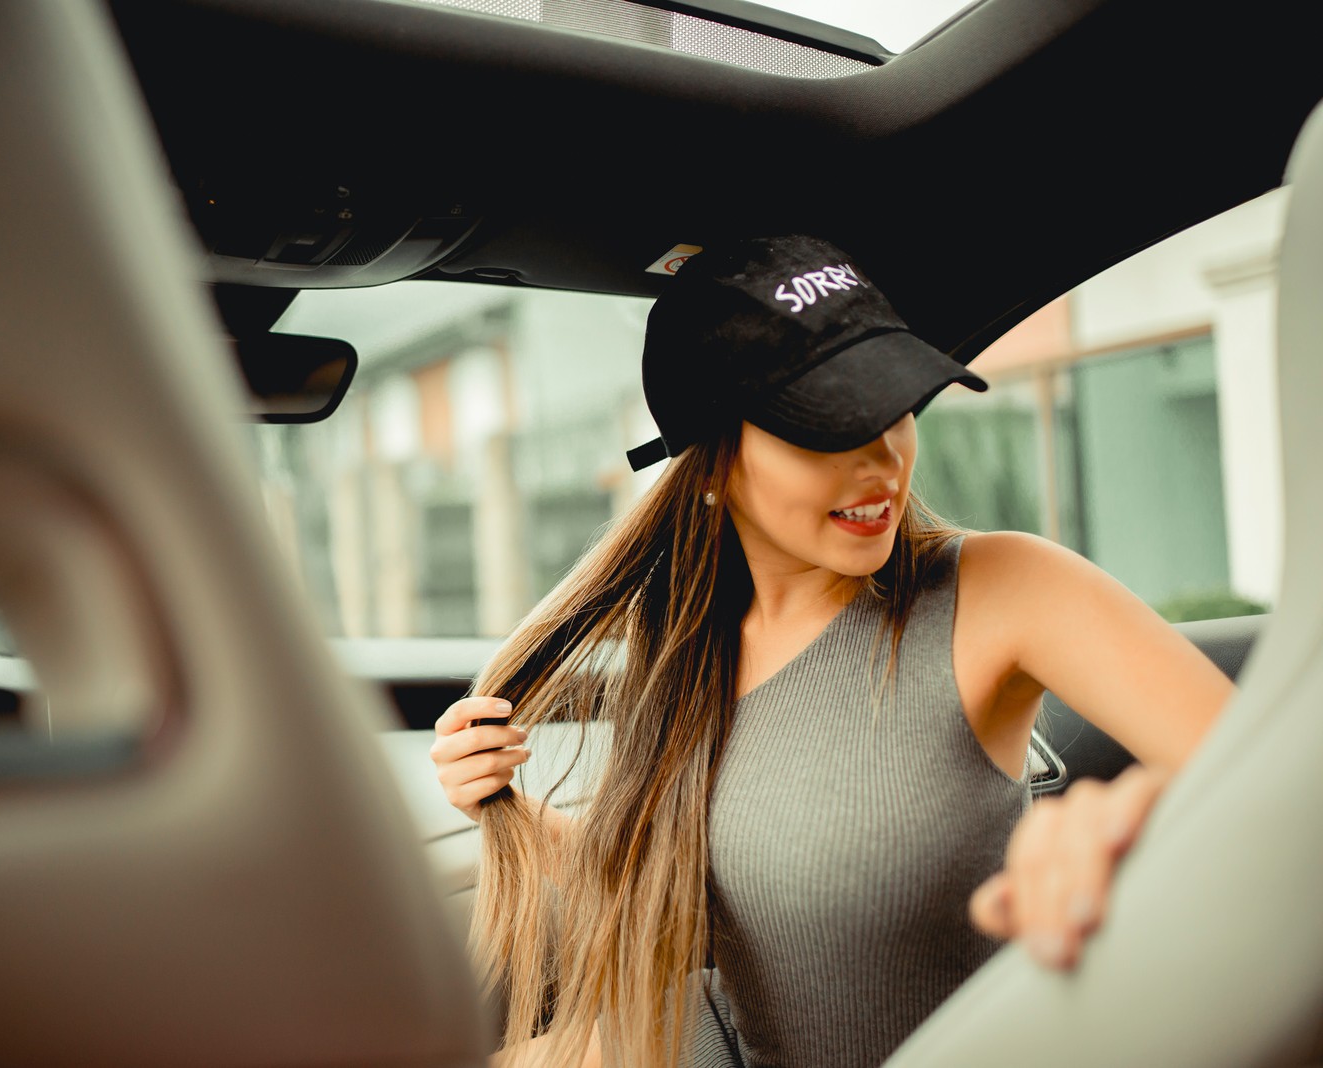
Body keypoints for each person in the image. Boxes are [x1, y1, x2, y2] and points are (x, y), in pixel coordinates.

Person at [426, 235, 1232, 1068]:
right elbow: (693, 880)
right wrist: (496, 793)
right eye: (826, 430)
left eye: (894, 408)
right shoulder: (683, 647)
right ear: (710, 461)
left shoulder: (1001, 588)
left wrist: (1136, 835)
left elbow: (1279, 772)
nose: (883, 462)